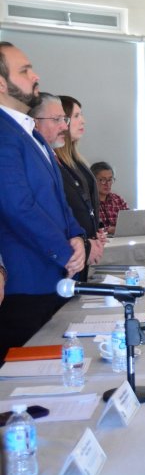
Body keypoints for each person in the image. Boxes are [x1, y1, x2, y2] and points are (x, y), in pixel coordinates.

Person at [0, 42, 86, 362]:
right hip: (27, 283)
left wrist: (76, 236)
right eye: (24, 71)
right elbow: (17, 207)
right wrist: (66, 252)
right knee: (28, 381)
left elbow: (59, 199)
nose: (35, 75)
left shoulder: (30, 133)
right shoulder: (4, 133)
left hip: (53, 276)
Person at [52, 95, 105, 280]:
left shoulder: (77, 161)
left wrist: (96, 233)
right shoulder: (55, 163)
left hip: (86, 246)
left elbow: (87, 204)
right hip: (72, 250)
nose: (83, 121)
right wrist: (86, 242)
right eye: (76, 115)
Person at [91, 161, 130, 235]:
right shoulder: (88, 202)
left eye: (110, 180)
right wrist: (108, 230)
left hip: (120, 240)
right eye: (103, 180)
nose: (107, 184)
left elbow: (129, 222)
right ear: (93, 180)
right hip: (98, 240)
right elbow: (88, 228)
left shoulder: (118, 200)